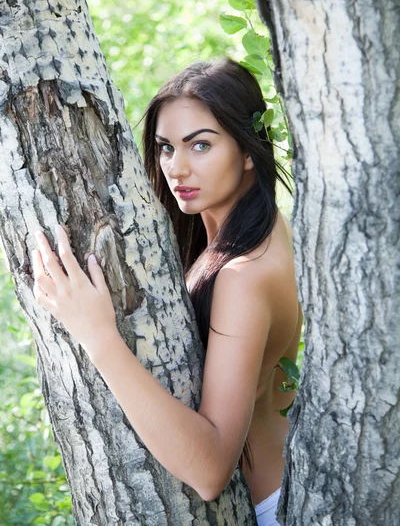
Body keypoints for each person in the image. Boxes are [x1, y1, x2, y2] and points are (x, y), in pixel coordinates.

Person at [32, 58, 302, 526]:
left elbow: (211, 468)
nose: (176, 168)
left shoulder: (242, 274)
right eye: (165, 148)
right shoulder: (262, 230)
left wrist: (99, 336)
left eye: (200, 145)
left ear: (247, 149)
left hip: (269, 511)